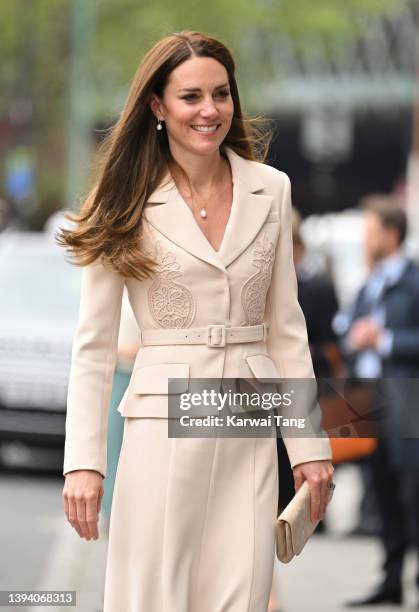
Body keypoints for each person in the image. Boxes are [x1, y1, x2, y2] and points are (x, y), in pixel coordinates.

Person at [57, 30, 334, 612]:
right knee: (153, 595)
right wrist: (84, 462)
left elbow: (286, 328)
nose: (210, 110)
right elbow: (94, 347)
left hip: (248, 422)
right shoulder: (123, 198)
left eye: (221, 94)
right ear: (157, 106)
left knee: (243, 593)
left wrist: (310, 445)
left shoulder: (272, 190)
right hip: (161, 424)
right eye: (190, 97)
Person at [339, 195, 419, 608]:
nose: (364, 239)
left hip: (408, 401)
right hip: (369, 404)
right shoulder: (369, 283)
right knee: (382, 491)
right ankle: (390, 581)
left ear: (391, 234)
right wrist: (353, 339)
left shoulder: (414, 280)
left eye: (370, 231)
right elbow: (347, 329)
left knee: (412, 491)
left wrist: (384, 340)